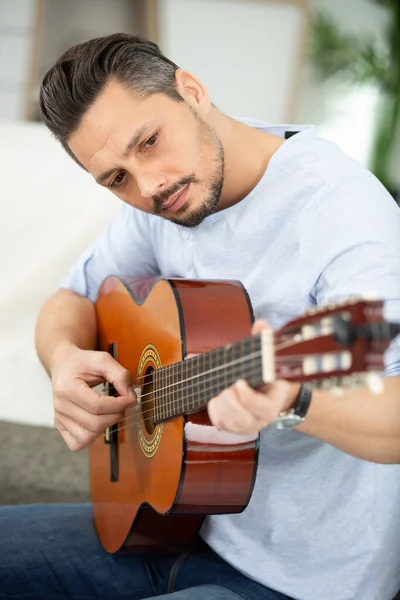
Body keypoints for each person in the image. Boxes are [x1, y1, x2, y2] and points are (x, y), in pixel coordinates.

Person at [1, 32, 399, 600]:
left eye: (149, 142)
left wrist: (293, 399)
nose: (149, 185)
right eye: (116, 179)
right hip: (168, 524)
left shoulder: (341, 212)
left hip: (301, 582)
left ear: (191, 90)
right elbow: (70, 300)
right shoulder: (160, 202)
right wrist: (63, 361)